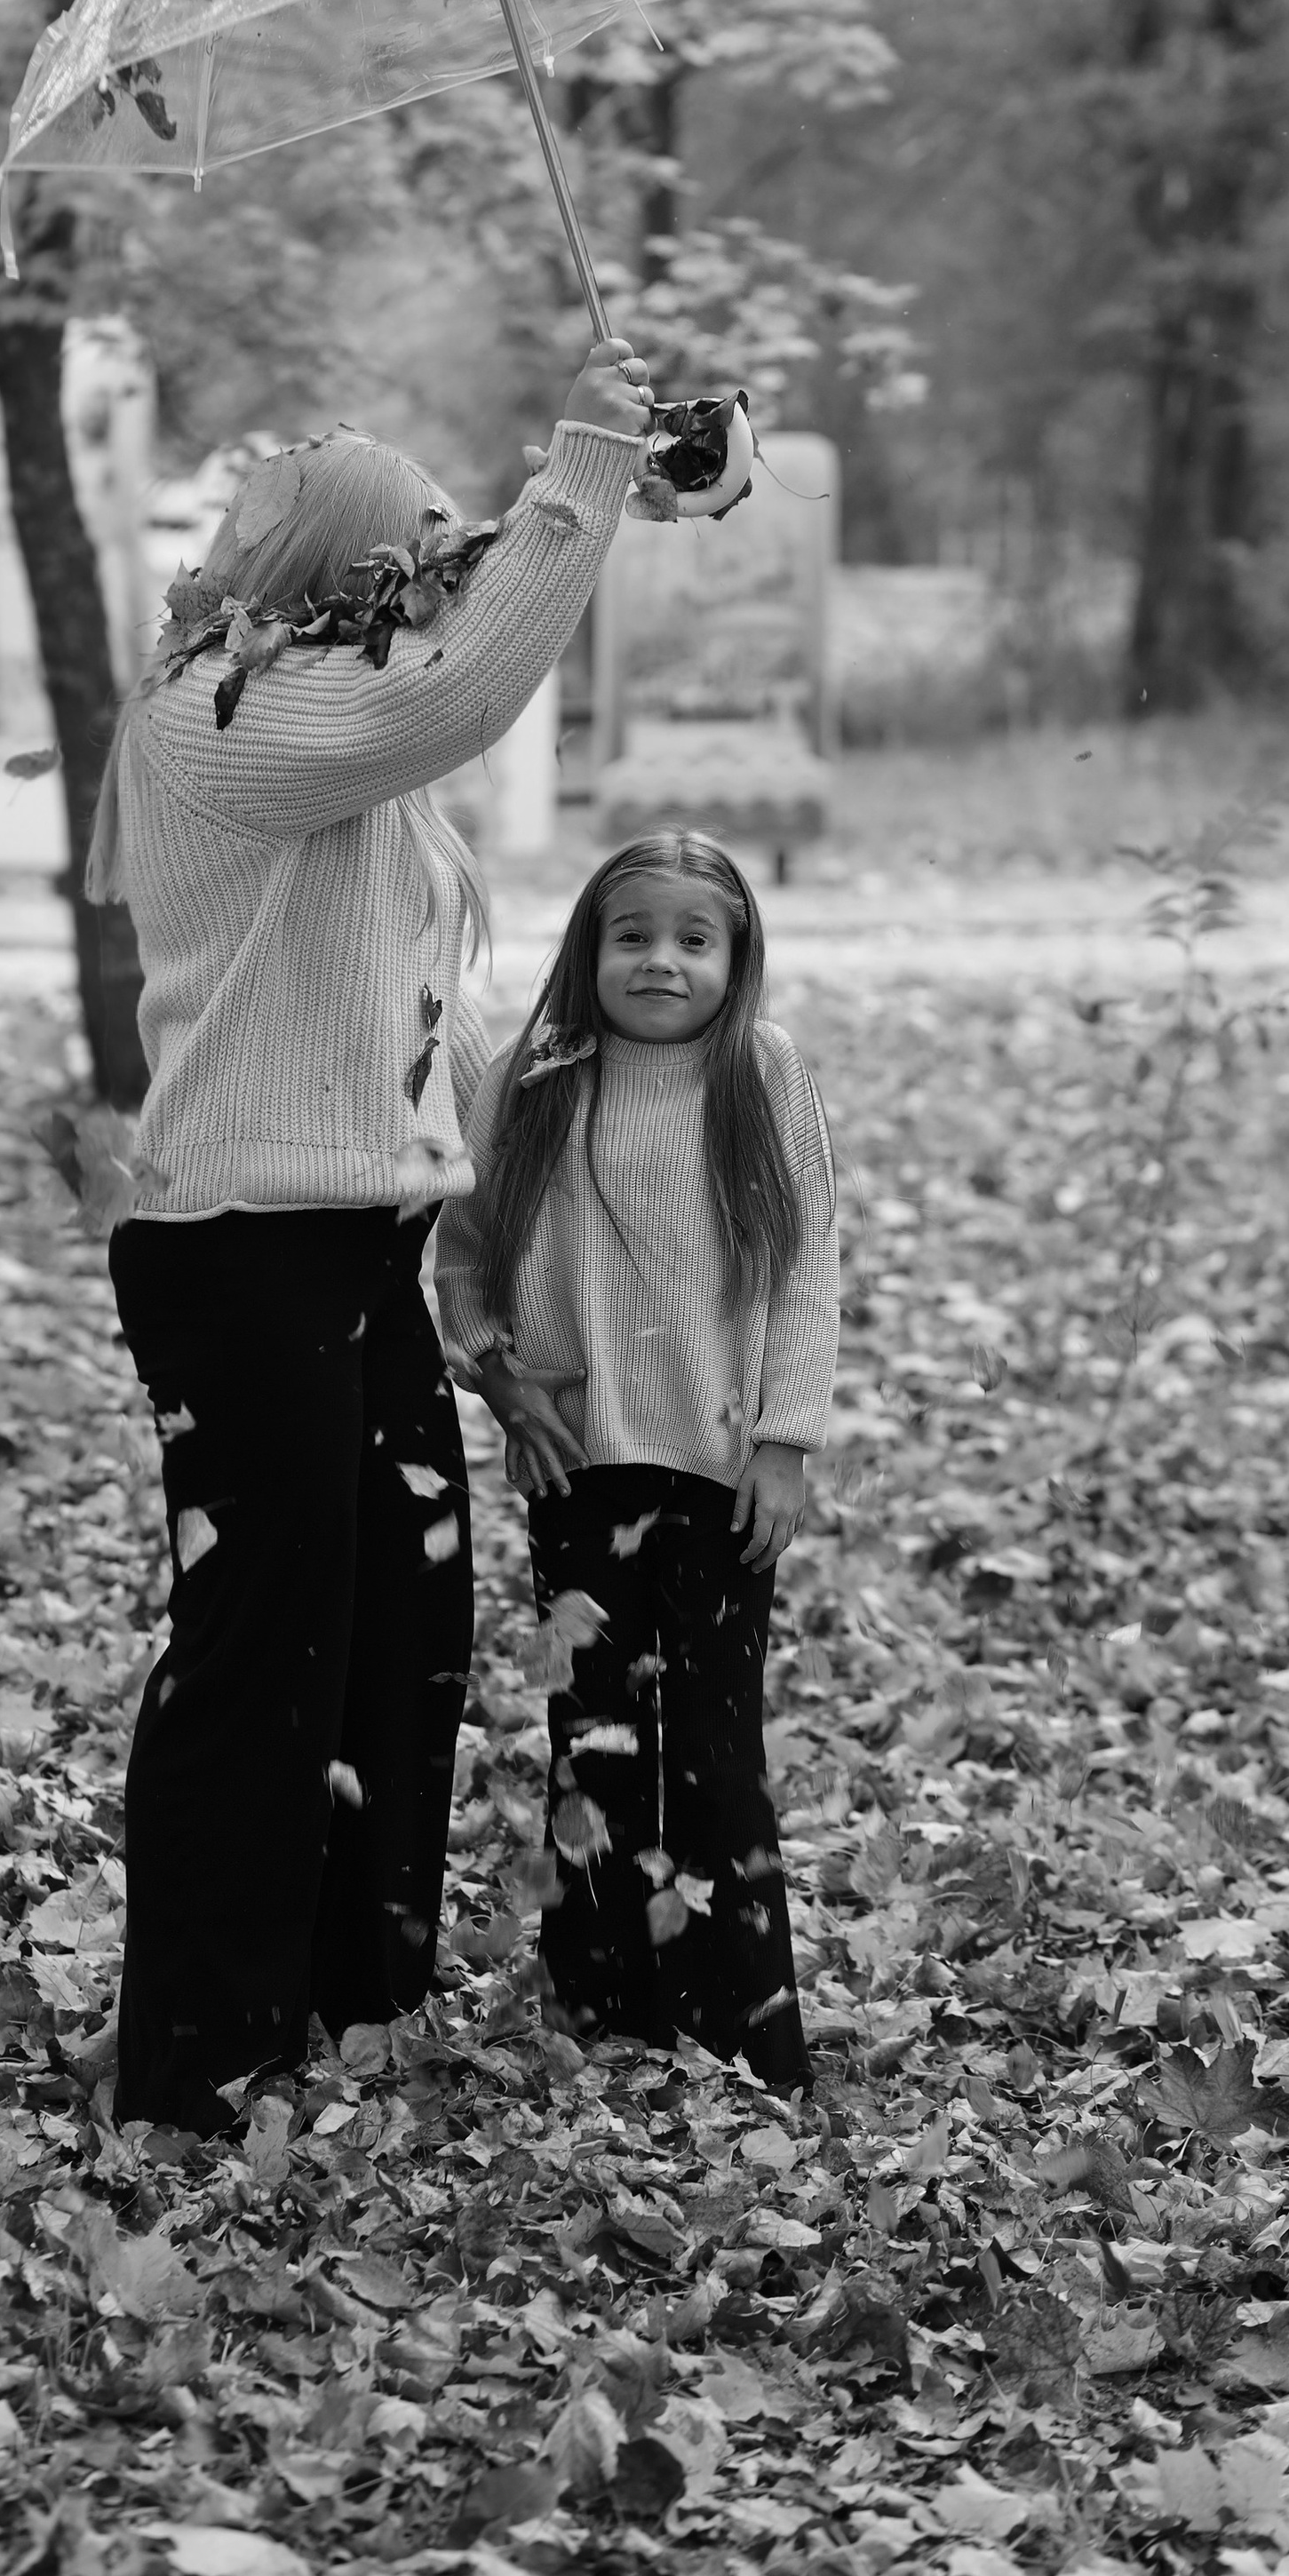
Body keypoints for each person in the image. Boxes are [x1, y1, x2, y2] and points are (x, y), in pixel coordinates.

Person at [88, 338, 656, 2134]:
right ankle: (194, 2051)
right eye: (403, 558)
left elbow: (398, 1009)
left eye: (440, 558)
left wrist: (562, 1130)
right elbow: (466, 687)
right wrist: (586, 468)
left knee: (397, 1627)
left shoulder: (330, 735)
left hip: (352, 1249)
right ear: (331, 564)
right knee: (260, 1646)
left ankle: (344, 2000)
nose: (429, 585)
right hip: (236, 1253)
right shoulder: (225, 718)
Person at [435, 831, 839, 2093]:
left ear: (735, 957)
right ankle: (602, 2004)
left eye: (693, 939)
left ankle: (739, 2025)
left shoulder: (761, 1077)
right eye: (632, 936)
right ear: (589, 949)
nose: (661, 960)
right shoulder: (535, 1075)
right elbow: (463, 1241)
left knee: (716, 1756)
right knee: (594, 1741)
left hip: (720, 1473)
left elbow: (805, 1263)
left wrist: (785, 1442)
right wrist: (497, 1378)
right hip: (578, 1467)